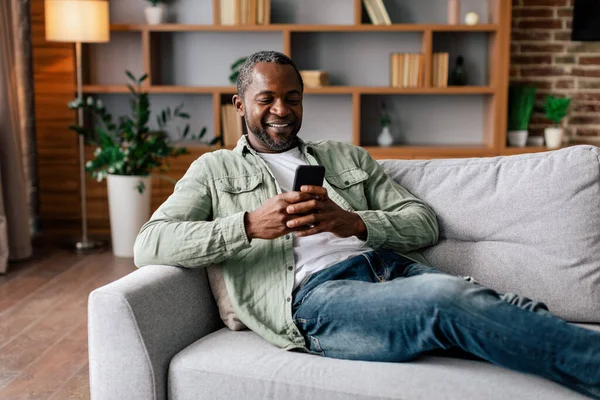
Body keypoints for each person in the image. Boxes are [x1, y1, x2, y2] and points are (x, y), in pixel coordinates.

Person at [133, 50, 600, 399]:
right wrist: (249, 225)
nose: (281, 109)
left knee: (508, 307)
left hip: (389, 268)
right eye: (267, 98)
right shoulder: (214, 171)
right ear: (239, 103)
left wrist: (352, 222)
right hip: (316, 300)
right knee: (447, 299)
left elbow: (423, 223)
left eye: (292, 98)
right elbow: (150, 243)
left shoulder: (345, 157)